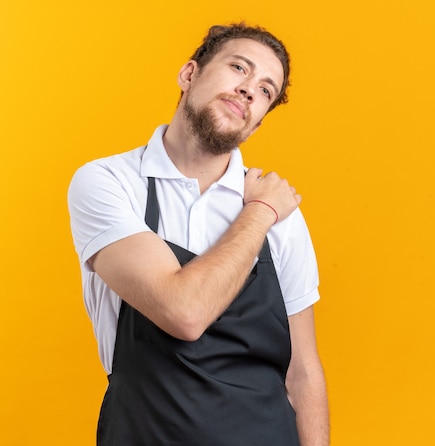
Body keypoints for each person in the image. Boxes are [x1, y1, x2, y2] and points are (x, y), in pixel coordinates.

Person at [68, 22, 329, 446]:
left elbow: (302, 370)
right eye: (239, 68)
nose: (249, 90)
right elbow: (182, 313)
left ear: (258, 123)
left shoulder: (286, 216)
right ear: (189, 75)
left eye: (266, 90)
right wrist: (259, 212)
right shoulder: (110, 182)